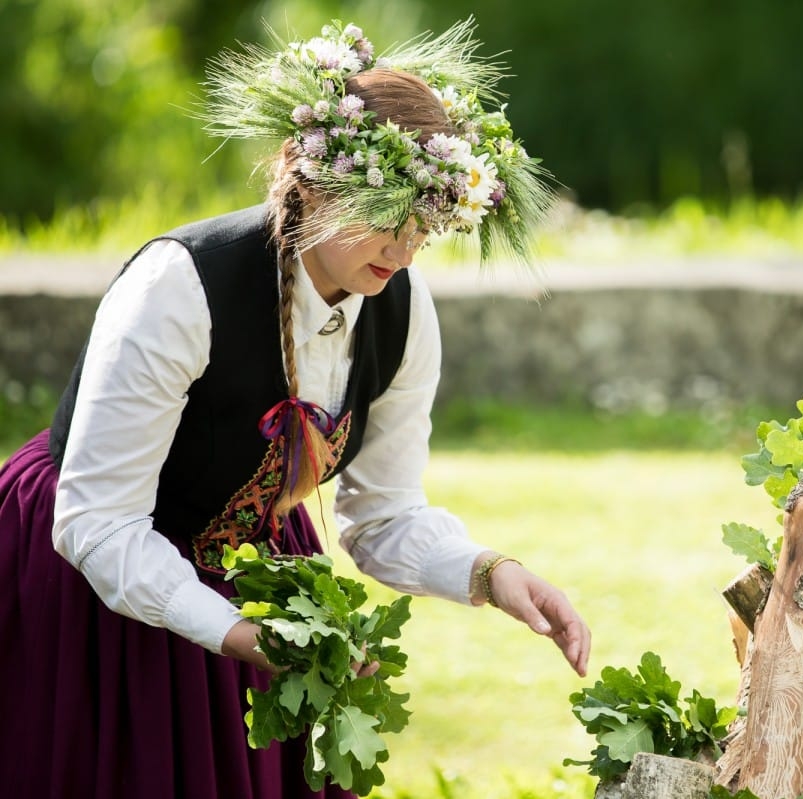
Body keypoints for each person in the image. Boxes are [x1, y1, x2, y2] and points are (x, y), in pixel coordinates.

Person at [0, 19, 589, 799]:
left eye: (429, 219)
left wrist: (490, 573)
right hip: (95, 572)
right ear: (312, 181)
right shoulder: (179, 289)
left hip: (261, 577)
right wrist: (234, 631)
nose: (407, 247)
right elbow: (99, 524)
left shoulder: (402, 311)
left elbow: (381, 518)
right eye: (387, 212)